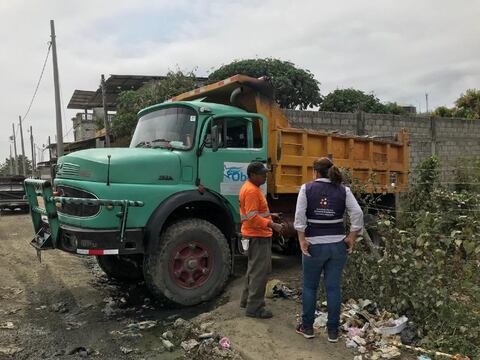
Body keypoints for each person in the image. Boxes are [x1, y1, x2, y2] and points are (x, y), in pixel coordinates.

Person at [294, 157, 363, 342]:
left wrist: (302, 240)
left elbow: (299, 217)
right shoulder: (344, 190)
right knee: (333, 288)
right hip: (337, 246)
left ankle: (307, 328)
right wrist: (351, 237)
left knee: (310, 287)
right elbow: (357, 213)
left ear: (315, 172)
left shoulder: (306, 189)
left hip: (314, 246)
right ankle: (333, 332)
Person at [239, 161, 284, 318]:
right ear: (253, 175)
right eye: (262, 174)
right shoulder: (251, 191)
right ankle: (255, 308)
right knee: (260, 272)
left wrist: (272, 215)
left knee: (253, 270)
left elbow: (256, 214)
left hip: (253, 234)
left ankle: (246, 301)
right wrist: (272, 224)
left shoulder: (251, 188)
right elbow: (252, 217)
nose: (265, 176)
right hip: (257, 235)